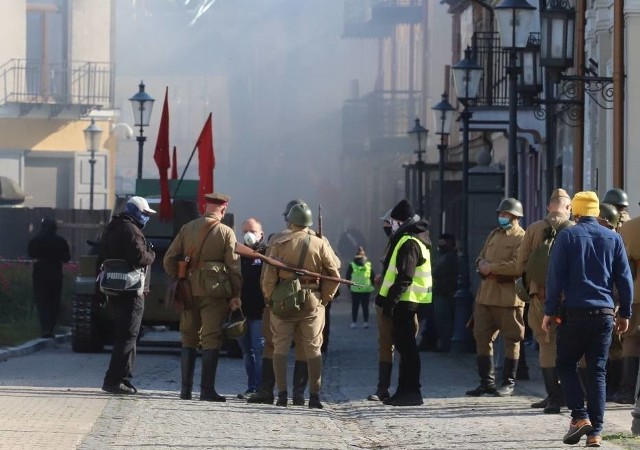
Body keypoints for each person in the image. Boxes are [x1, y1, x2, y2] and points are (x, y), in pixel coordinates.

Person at [543, 191, 633, 447]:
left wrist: (549, 311)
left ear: (576, 212)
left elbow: (555, 278)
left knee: (565, 364)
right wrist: (625, 312)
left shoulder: (567, 236)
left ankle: (580, 418)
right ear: (596, 212)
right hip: (605, 314)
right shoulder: (613, 237)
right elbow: (624, 279)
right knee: (597, 372)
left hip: (575, 313)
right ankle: (596, 433)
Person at [249, 198, 339, 406]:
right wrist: (324, 298)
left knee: (280, 346)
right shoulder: (320, 242)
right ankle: (311, 396)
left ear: (290, 221)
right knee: (312, 348)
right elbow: (334, 274)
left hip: (283, 299)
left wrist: (270, 297)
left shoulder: (279, 241)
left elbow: (268, 275)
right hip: (312, 299)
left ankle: (281, 395)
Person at [163, 192, 242, 402]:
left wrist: (178, 279)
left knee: (188, 336)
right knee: (210, 338)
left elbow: (169, 259)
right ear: (223, 209)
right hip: (215, 292)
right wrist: (235, 294)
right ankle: (207, 390)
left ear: (205, 207)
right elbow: (234, 266)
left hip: (188, 289)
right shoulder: (226, 232)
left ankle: (185, 390)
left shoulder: (187, 228)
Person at [516, 188, 572, 413]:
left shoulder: (534, 229)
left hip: (540, 296)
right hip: (569, 299)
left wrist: (532, 285)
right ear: (568, 208)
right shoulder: (575, 229)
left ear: (549, 206)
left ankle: (553, 397)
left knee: (546, 344)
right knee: (569, 345)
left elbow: (521, 265)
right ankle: (569, 394)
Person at [466, 198, 525, 398]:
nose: (502, 217)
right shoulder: (493, 234)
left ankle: (508, 382)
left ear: (515, 216)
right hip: (485, 297)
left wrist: (491, 268)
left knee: (511, 339)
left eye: (505, 214)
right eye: (500, 214)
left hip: (508, 298)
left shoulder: (521, 237)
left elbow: (518, 266)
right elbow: (480, 256)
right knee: (481, 337)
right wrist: (481, 263)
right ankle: (486, 382)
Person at [375, 199, 431, 407]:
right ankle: (403, 390)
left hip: (406, 302)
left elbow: (404, 277)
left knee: (407, 350)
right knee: (404, 348)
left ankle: (411, 391)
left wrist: (390, 302)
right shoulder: (410, 239)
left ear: (403, 221)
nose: (392, 225)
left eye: (394, 221)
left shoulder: (409, 242)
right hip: (405, 301)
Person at [99, 196, 156, 395]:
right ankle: (114, 379)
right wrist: (152, 254)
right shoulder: (131, 230)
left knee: (127, 335)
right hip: (131, 290)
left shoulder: (112, 226)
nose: (147, 218)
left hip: (116, 287)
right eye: (145, 214)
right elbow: (140, 257)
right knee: (128, 336)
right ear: (136, 211)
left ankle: (124, 378)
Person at [368, 209, 396, 402]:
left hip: (399, 302)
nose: (385, 226)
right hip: (385, 299)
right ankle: (383, 387)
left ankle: (405, 387)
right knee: (385, 345)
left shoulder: (406, 242)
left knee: (403, 346)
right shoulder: (391, 242)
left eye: (388, 222)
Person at [237, 217, 266, 398]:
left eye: (253, 231)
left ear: (260, 235)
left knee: (259, 349)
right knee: (247, 352)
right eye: (245, 231)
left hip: (260, 311)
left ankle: (262, 388)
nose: (249, 235)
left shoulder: (266, 254)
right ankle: (252, 386)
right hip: (241, 311)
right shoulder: (237, 254)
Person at [27, 217, 71, 338]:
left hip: (40, 271)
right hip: (55, 271)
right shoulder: (60, 241)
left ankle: (45, 328)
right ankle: (51, 328)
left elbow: (31, 253)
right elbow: (66, 258)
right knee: (54, 301)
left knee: (42, 301)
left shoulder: (36, 240)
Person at [616, 206, 640, 404]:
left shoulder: (628, 227)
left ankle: (627, 389)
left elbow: (622, 263)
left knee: (630, 338)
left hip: (635, 289)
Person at [432, 233, 458, 353]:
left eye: (443, 243)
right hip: (440, 291)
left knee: (444, 319)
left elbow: (437, 271)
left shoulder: (449, 257)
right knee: (440, 319)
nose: (441, 245)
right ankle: (443, 343)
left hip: (445, 292)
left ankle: (446, 344)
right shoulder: (442, 256)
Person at [346, 246, 375, 328]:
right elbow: (372, 276)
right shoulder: (368, 264)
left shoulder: (352, 264)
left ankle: (354, 323)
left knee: (355, 306)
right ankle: (365, 323)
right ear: (364, 255)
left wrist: (349, 287)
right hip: (366, 289)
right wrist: (371, 285)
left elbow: (348, 276)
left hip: (355, 289)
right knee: (365, 306)